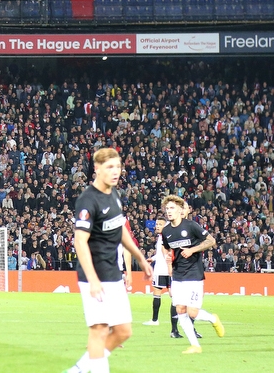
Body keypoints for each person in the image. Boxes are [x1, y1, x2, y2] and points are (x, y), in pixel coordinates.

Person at [64, 148, 151, 373]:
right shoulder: (87, 200)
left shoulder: (114, 194)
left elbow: (120, 229)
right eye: (109, 167)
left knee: (123, 331)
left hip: (113, 274)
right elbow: (80, 242)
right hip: (94, 275)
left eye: (118, 167)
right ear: (97, 169)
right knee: (99, 329)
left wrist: (140, 257)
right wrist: (92, 280)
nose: (115, 172)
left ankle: (80, 369)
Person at [160, 195, 225, 354]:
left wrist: (192, 250)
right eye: (167, 208)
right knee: (180, 310)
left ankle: (213, 319)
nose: (169, 211)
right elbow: (167, 248)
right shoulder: (166, 231)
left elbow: (211, 241)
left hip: (194, 274)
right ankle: (195, 345)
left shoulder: (191, 226)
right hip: (178, 275)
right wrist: (168, 259)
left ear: (180, 210)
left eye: (172, 208)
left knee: (192, 312)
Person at [142, 218, 174, 331]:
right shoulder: (162, 237)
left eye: (160, 224)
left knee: (164, 294)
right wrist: (153, 258)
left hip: (164, 270)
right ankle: (159, 321)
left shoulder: (166, 237)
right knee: (169, 295)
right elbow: (161, 254)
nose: (157, 226)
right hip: (165, 270)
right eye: (156, 224)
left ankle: (155, 320)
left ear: (166, 226)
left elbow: (168, 253)